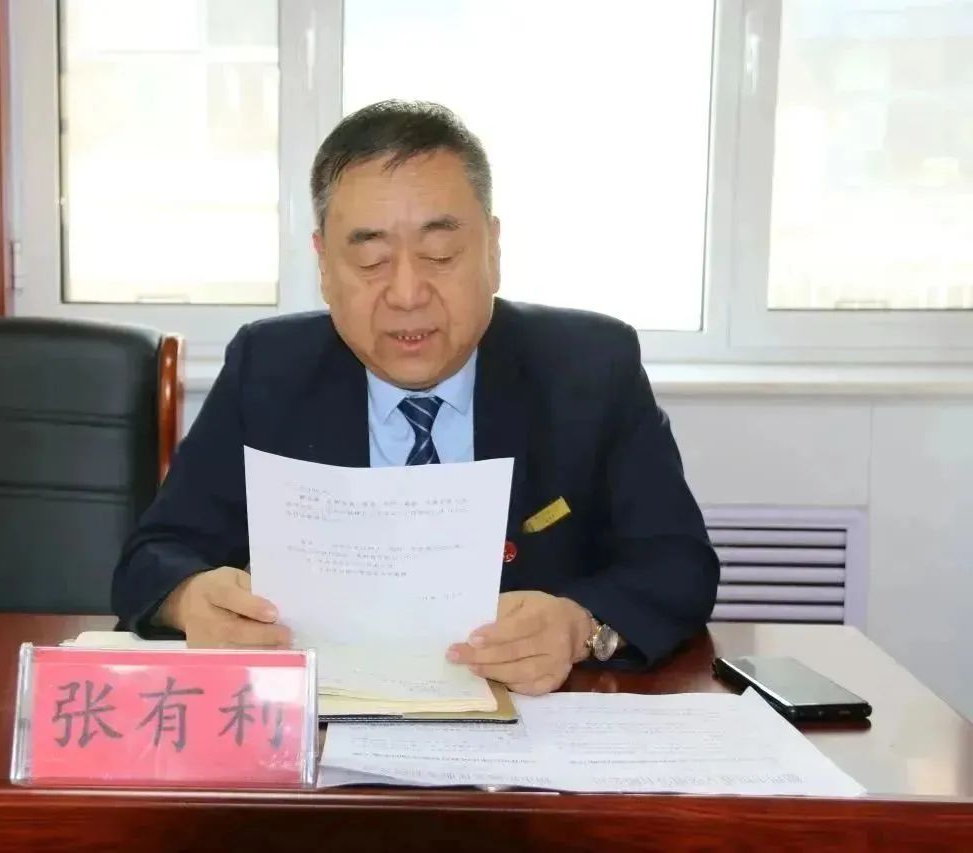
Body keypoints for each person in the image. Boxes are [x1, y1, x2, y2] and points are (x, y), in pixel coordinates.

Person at [112, 100, 719, 696]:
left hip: (532, 729)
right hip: (326, 732)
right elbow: (154, 555)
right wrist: (190, 599)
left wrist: (582, 626)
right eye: (371, 259)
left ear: (493, 249)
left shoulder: (590, 367)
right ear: (324, 265)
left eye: (440, 255)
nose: (407, 294)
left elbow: (678, 565)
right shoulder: (268, 368)